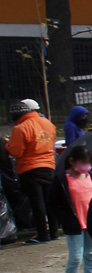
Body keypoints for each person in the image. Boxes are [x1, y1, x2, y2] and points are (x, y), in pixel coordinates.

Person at [49, 145, 92, 273]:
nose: (86, 166)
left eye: (88, 163)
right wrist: (65, 219)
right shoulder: (61, 180)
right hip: (74, 225)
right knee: (76, 257)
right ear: (72, 161)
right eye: (83, 162)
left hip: (91, 223)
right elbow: (51, 203)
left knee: (91, 255)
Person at [6, 100, 58, 244]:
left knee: (37, 204)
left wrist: (7, 144)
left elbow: (16, 151)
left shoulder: (20, 128)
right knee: (49, 201)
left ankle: (43, 235)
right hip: (48, 166)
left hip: (30, 168)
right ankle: (54, 232)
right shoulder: (48, 124)